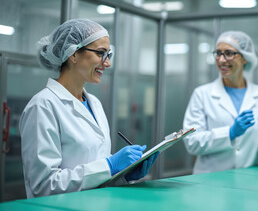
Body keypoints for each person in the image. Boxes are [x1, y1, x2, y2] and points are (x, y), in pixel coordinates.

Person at [19, 18, 158, 198]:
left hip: (96, 206)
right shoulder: (43, 106)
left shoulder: (94, 103)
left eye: (109, 55)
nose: (107, 63)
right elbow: (44, 185)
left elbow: (96, 171)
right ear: (73, 54)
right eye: (101, 53)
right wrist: (109, 165)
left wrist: (123, 174)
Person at [183, 31, 258, 174]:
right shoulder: (202, 94)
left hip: (250, 180)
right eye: (218, 53)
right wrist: (230, 133)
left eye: (229, 53)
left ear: (245, 58)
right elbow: (192, 142)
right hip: (210, 182)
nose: (221, 60)